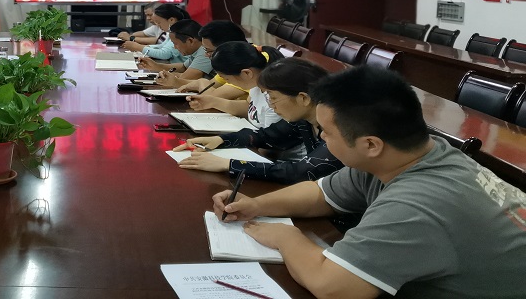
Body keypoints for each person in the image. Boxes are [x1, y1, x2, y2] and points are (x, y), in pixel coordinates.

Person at [212, 66, 526, 298]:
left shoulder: (417, 205)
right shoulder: (414, 153)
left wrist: (285, 238)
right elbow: (320, 193)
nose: (322, 138)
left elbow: (332, 288)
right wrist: (256, 205)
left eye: (327, 132)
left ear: (371, 144)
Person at [174, 58, 343, 184]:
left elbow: (300, 172)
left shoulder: (339, 128)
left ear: (303, 98)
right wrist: (220, 140)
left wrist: (228, 164)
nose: (270, 105)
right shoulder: (305, 118)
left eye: (273, 98)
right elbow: (268, 136)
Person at [185, 41, 287, 132]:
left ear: (246, 73)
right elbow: (247, 107)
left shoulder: (275, 101)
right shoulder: (256, 85)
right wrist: (212, 102)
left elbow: (269, 140)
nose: (228, 83)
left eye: (227, 79)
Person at [175, 20, 251, 101]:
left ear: (226, 47)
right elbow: (212, 85)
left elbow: (211, 97)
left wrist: (201, 82)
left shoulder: (248, 61)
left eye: (209, 51)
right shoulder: (231, 62)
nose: (206, 55)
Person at [138, 19, 212, 85]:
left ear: (190, 41)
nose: (175, 47)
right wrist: (156, 66)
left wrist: (166, 75)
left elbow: (185, 78)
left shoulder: (205, 51)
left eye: (176, 43)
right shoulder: (197, 50)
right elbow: (184, 67)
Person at [122, 4, 189, 63]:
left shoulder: (180, 33)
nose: (158, 26)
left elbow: (164, 54)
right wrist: (143, 47)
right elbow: (161, 46)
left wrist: (139, 47)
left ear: (171, 20)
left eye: (159, 23)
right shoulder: (173, 32)